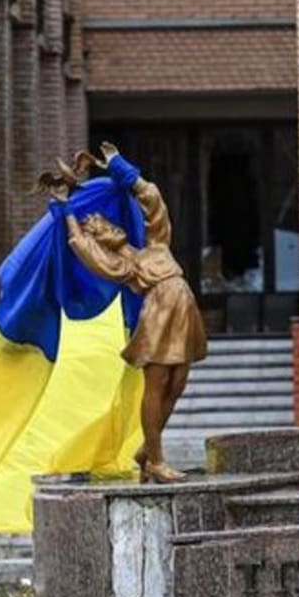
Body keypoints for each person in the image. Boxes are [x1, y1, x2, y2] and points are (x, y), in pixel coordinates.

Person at [52, 142, 207, 483]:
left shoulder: (156, 244)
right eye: (103, 229)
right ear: (104, 241)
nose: (110, 227)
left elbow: (153, 200)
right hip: (158, 317)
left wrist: (121, 168)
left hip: (184, 311)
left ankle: (145, 452)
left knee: (178, 384)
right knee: (157, 384)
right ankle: (156, 459)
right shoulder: (125, 266)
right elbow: (82, 248)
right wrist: (66, 213)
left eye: (110, 223)